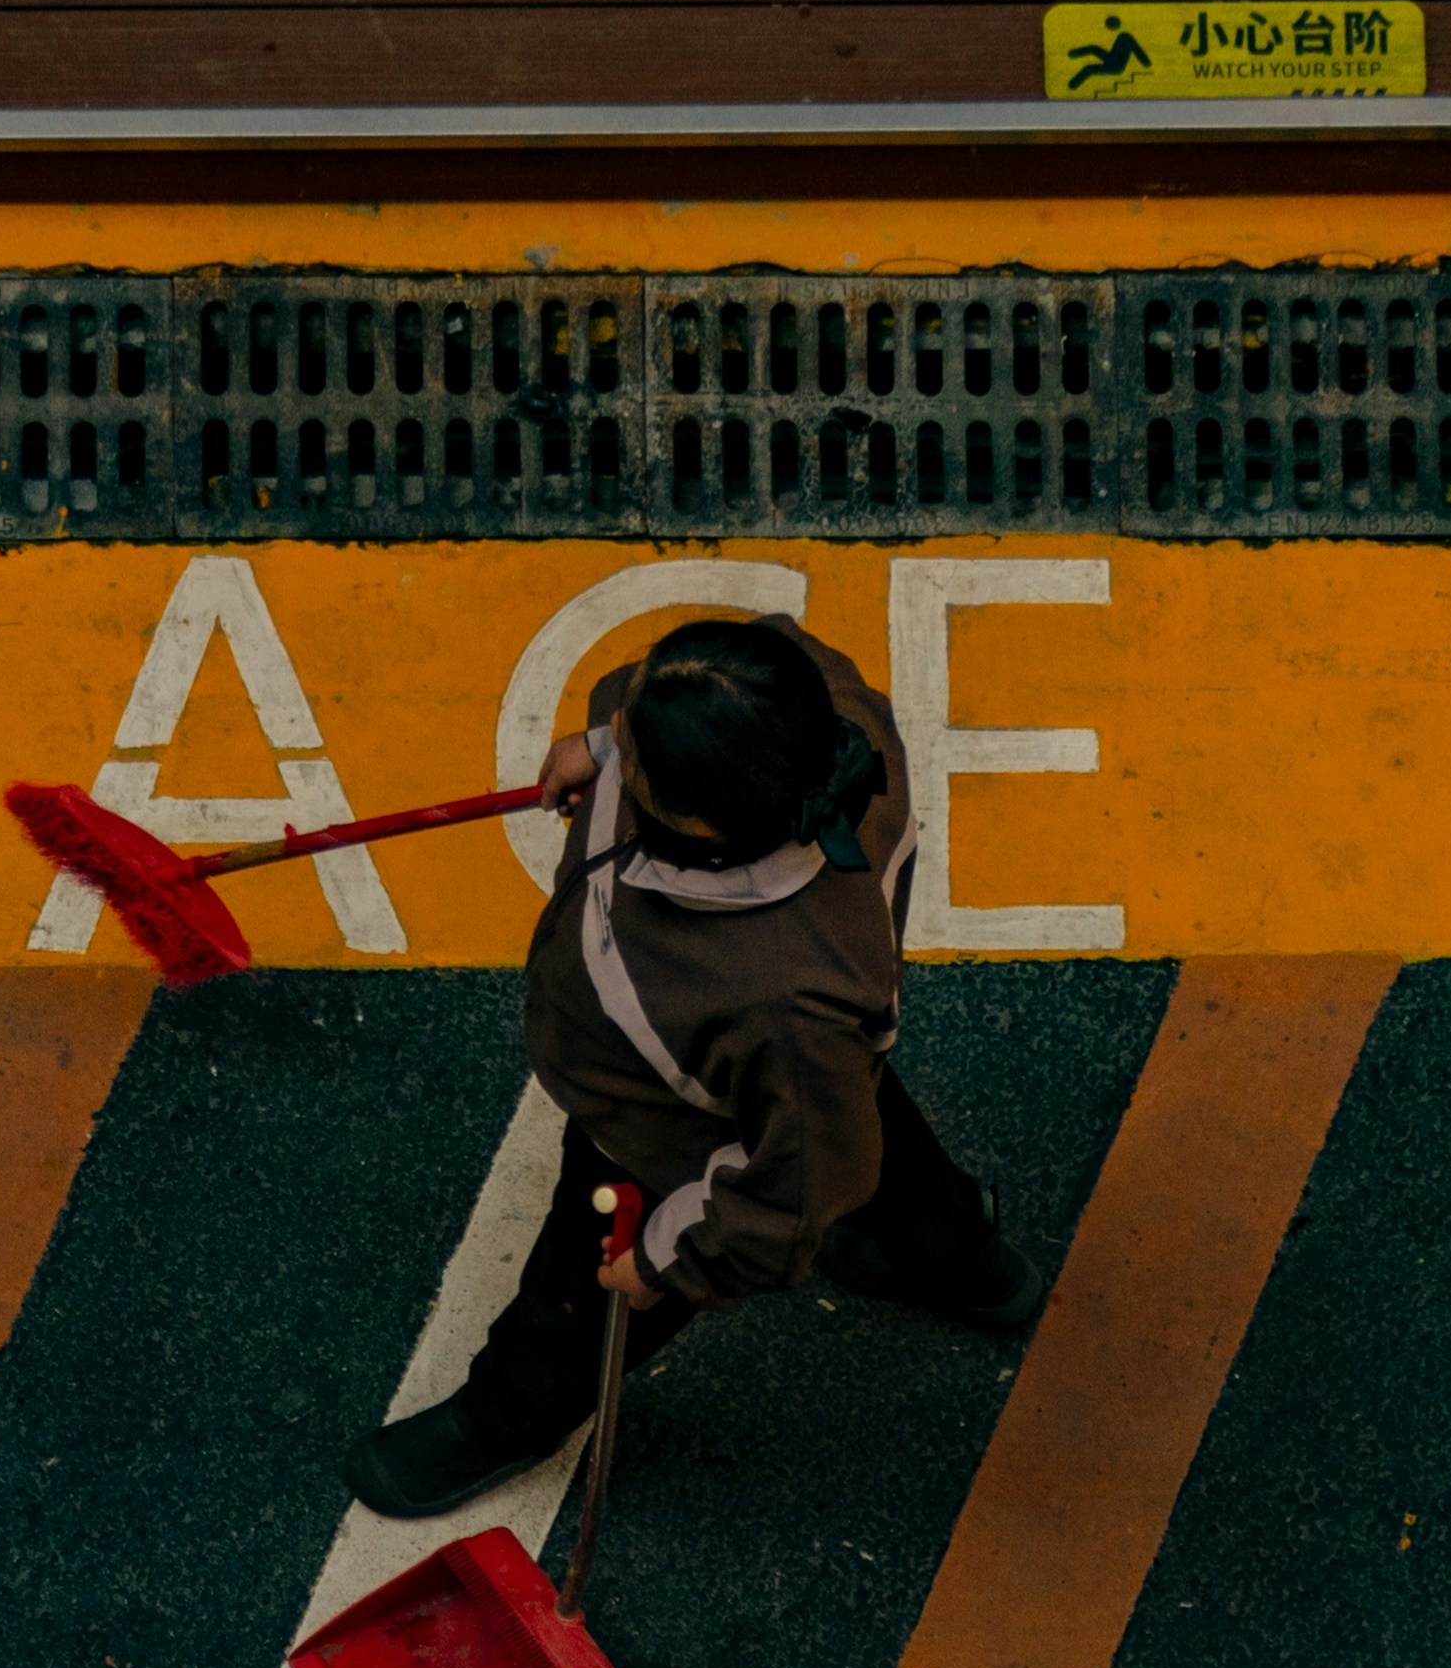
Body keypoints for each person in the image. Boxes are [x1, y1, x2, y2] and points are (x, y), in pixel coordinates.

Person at [347, 611, 1043, 1519]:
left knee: (588, 1291)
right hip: (796, 1078)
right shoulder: (808, 702)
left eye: (635, 766)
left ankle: (506, 1416)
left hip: (664, 1124)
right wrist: (604, 743)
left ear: (703, 822)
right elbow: (695, 691)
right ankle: (960, 1254)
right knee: (846, 1123)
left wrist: (673, 1262)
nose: (622, 753)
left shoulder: (778, 999)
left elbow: (787, 1194)